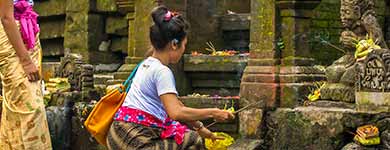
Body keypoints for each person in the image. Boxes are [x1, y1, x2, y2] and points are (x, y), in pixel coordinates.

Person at [106, 6, 235, 150]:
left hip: (116, 134)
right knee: (195, 141)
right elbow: (176, 113)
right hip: (135, 141)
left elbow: (176, 104)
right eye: (184, 45)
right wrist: (213, 112)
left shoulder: (146, 63)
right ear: (174, 44)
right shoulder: (162, 72)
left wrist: (200, 127)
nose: (183, 50)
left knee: (189, 134)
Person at [0, 0, 52, 149]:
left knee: (16, 108)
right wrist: (26, 61)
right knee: (31, 108)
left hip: (27, 32)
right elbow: (5, 17)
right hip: (12, 38)